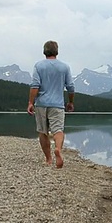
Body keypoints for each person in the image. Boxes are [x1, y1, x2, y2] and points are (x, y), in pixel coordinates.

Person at [27, 40, 75, 168]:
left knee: (43, 132)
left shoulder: (39, 66)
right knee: (58, 130)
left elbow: (35, 86)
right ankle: (58, 149)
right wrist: (70, 102)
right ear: (56, 51)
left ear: (44, 51)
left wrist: (31, 102)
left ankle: (48, 159)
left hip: (41, 104)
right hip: (57, 105)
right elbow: (70, 86)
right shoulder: (64, 67)